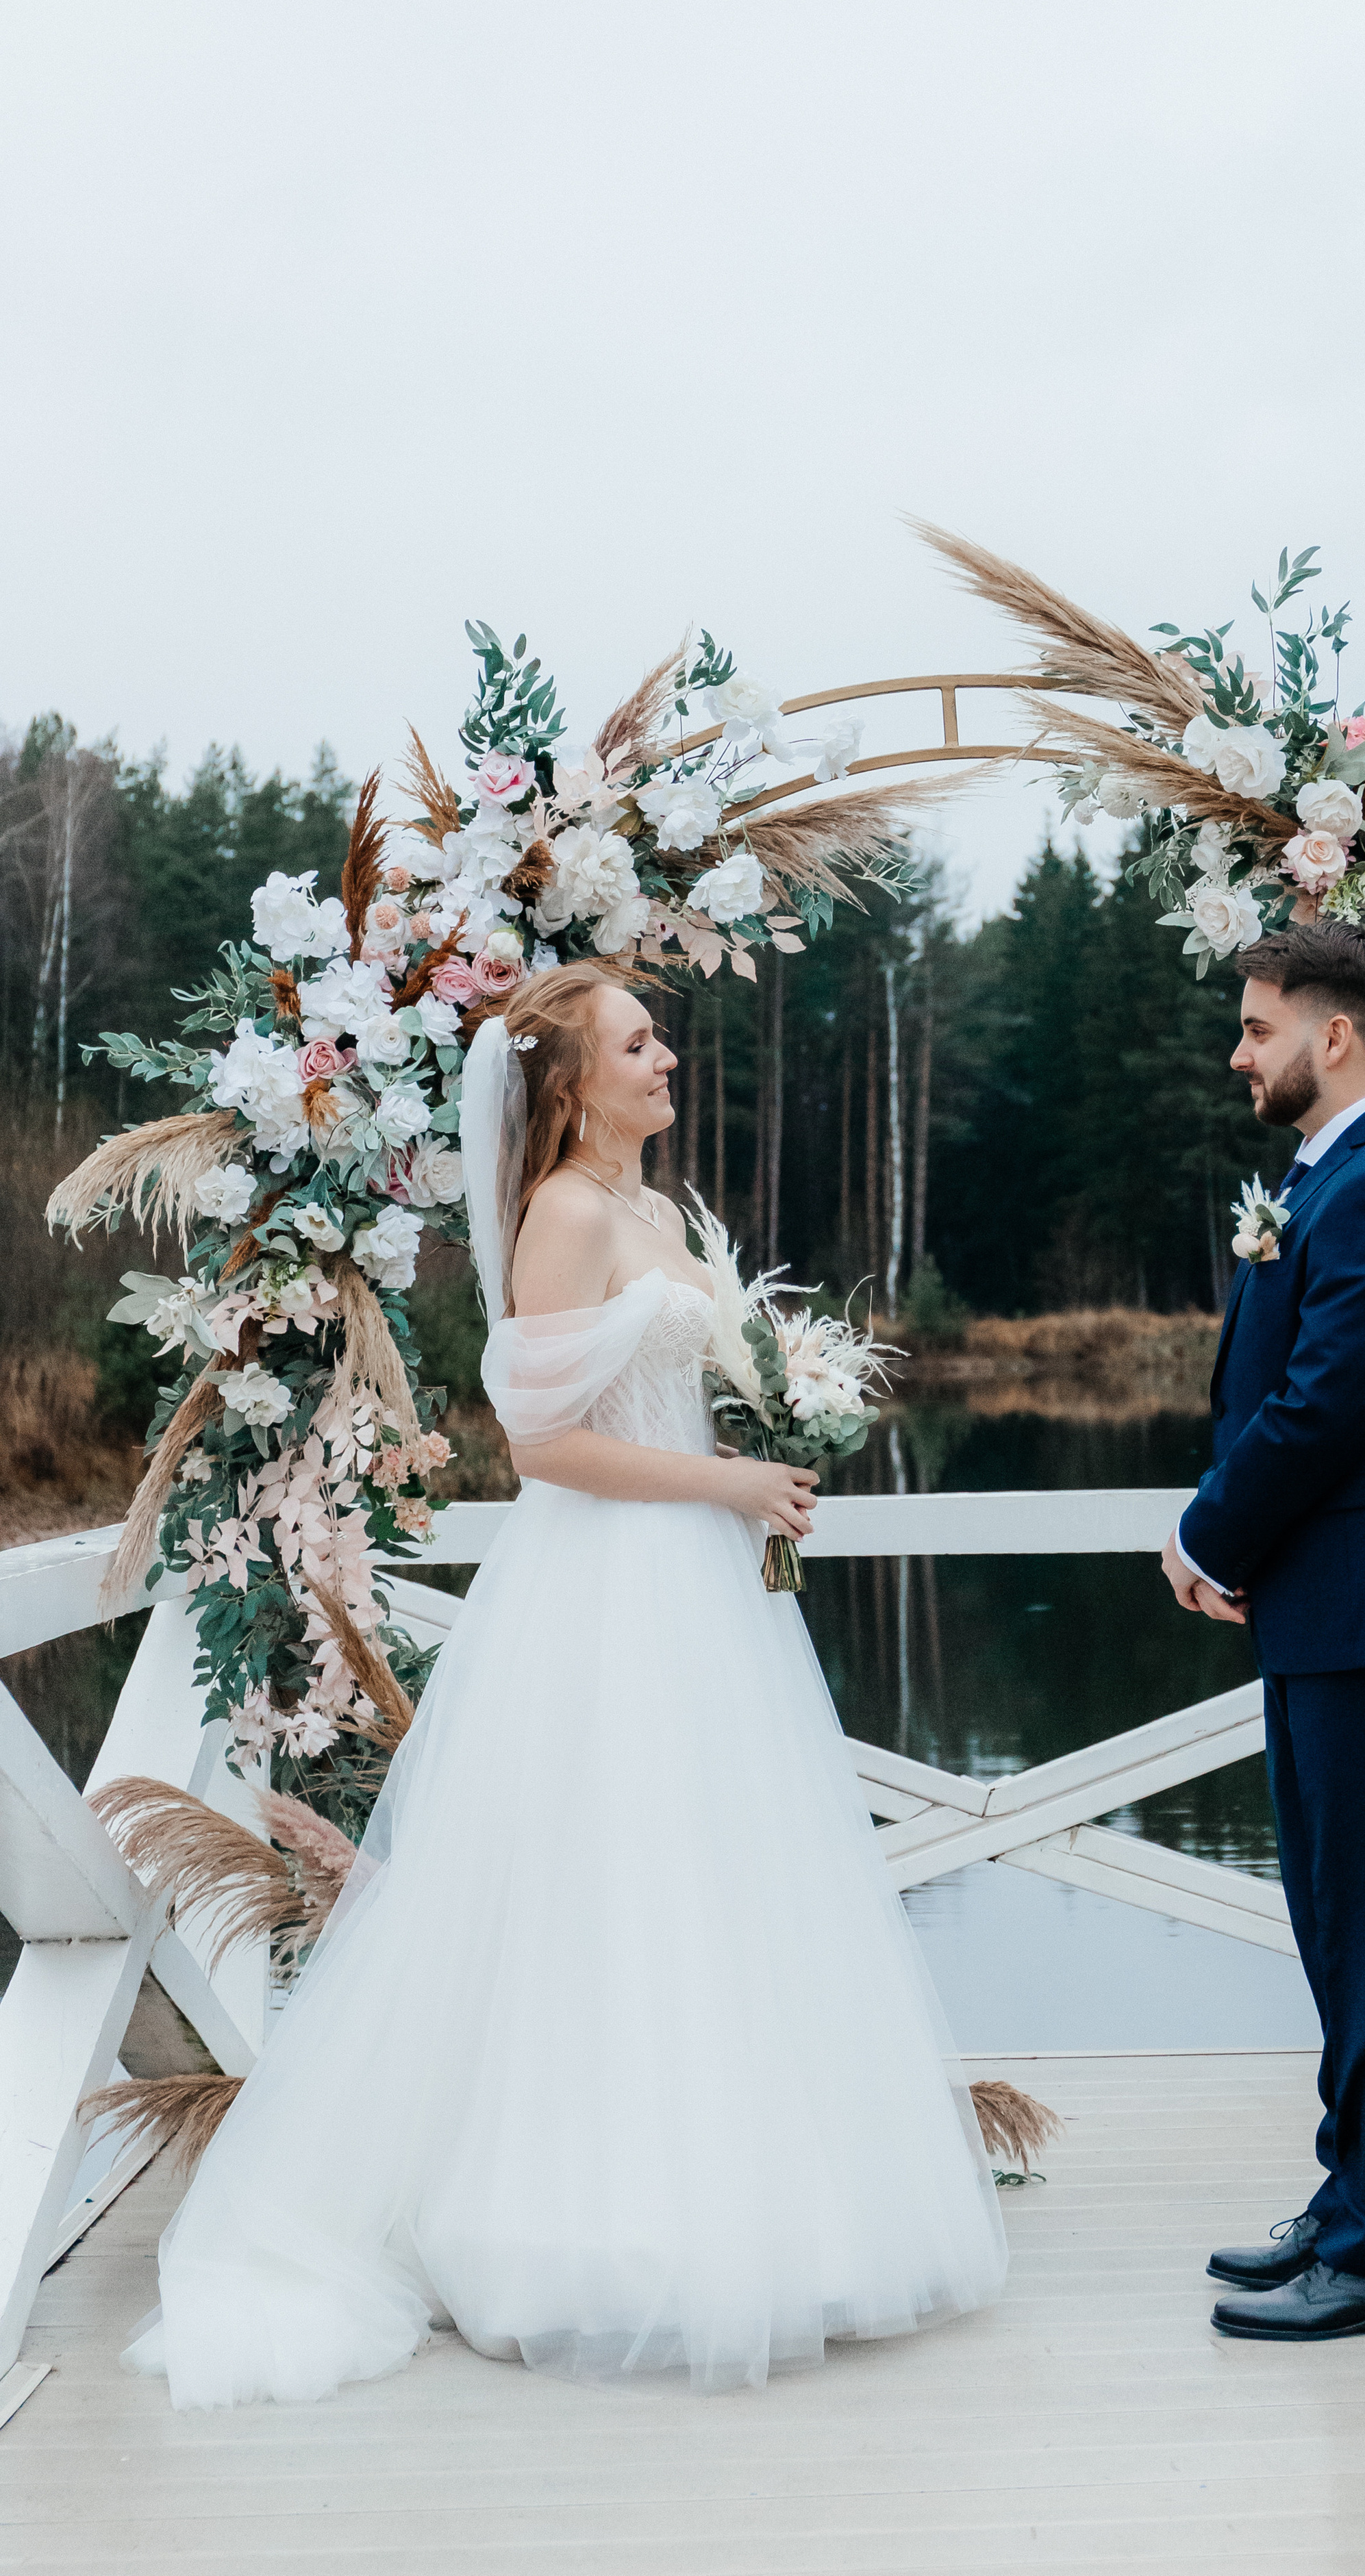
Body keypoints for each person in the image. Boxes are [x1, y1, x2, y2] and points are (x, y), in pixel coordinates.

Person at [124, 961, 1006, 2405]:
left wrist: (769, 1435)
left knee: (726, 1886)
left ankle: (764, 2194)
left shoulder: (656, 1213)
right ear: (567, 1081)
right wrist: (726, 1478)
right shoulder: (565, 1216)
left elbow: (668, 1382)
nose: (667, 1060)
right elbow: (544, 1449)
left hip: (706, 1594)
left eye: (661, 1037)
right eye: (636, 1043)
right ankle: (581, 2218)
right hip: (605, 1586)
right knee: (606, 1884)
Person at [1161, 921, 1365, 2344]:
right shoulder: (1337, 1174)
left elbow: (1322, 1407)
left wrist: (1201, 1532)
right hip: (1325, 1608)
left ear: (1329, 1036)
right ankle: (1348, 2195)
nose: (1238, 1052)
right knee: (1332, 1920)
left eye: (1253, 1027)